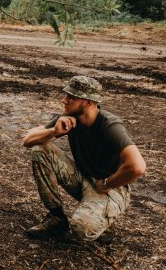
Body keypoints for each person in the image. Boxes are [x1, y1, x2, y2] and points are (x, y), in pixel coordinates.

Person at [22, 76, 146, 242]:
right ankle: (56, 218)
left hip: (111, 188)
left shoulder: (110, 125)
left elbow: (137, 166)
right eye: (66, 95)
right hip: (83, 178)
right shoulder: (69, 117)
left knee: (80, 229)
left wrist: (108, 183)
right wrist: (54, 132)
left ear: (88, 102)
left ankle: (102, 219)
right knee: (41, 148)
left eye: (71, 97)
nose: (64, 100)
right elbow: (27, 140)